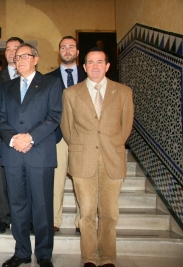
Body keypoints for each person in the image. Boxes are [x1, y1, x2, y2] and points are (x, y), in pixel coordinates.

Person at [61, 47, 134, 267]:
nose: (95, 66)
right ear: (84, 67)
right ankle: (91, 257)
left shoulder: (123, 92)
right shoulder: (71, 93)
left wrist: (111, 145)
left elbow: (126, 125)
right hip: (83, 160)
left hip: (113, 159)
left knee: (110, 214)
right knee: (87, 214)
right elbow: (67, 127)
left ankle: (108, 257)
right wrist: (81, 147)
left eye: (99, 62)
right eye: (90, 62)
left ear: (107, 66)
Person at [0, 43, 62, 267]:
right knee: (17, 205)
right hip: (13, 153)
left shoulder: (51, 83)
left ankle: (44, 254)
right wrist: (14, 139)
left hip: (40, 153)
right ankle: (22, 252)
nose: (20, 59)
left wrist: (30, 138)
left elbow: (54, 116)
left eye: (25, 56)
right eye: (17, 57)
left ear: (36, 59)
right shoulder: (7, 87)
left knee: (42, 206)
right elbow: (1, 118)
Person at [47, 36, 86, 234]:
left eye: (71, 47)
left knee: (82, 180)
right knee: (56, 180)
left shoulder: (89, 75)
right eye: (63, 47)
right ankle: (54, 219)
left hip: (83, 138)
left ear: (77, 52)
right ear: (59, 52)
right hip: (58, 137)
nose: (67, 50)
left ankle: (83, 221)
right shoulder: (48, 79)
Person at [0, 37, 24, 234]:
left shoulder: (35, 77)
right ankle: (4, 218)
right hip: (3, 137)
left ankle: (25, 218)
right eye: (8, 49)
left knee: (25, 180)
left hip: (28, 138)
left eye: (16, 48)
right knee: (3, 180)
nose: (12, 52)